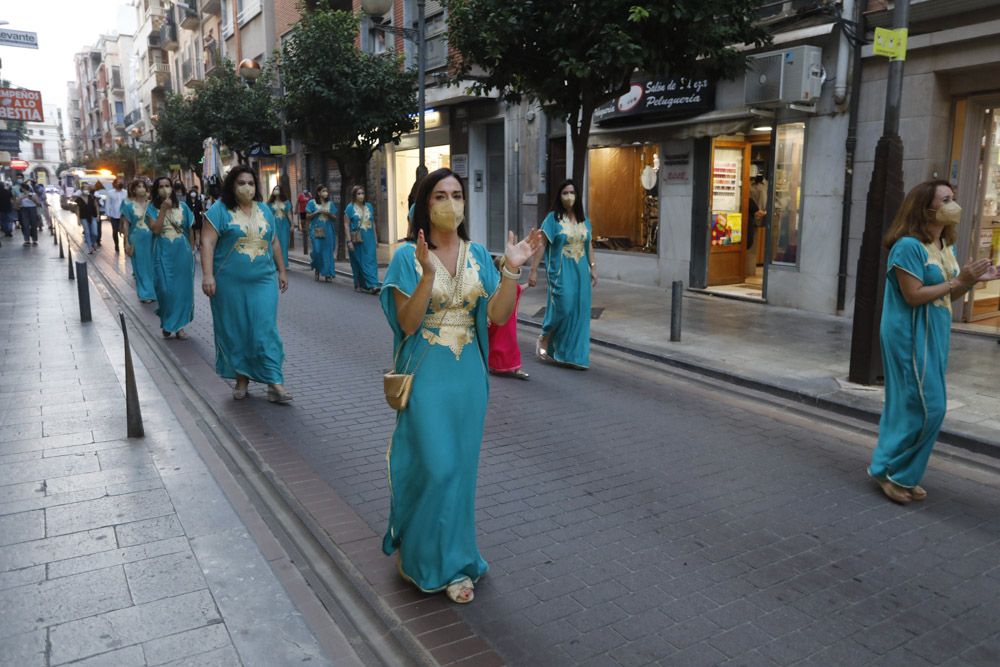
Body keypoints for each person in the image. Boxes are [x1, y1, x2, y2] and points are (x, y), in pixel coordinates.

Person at [380, 167, 541, 604]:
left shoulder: (475, 256)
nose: (451, 203)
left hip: (468, 377)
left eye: (456, 194)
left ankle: (455, 561)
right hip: (428, 372)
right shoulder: (405, 258)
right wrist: (427, 276)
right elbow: (408, 324)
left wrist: (509, 269)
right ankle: (419, 552)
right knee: (436, 466)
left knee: (460, 472)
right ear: (424, 205)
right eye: (440, 196)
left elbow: (498, 316)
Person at [868, 180, 999, 504]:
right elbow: (913, 297)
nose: (953, 204)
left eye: (953, 198)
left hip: (935, 330)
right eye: (946, 199)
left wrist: (968, 283)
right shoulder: (908, 246)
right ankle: (896, 474)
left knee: (910, 405)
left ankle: (890, 469)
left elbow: (949, 293)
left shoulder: (944, 245)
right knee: (929, 406)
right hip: (908, 331)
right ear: (926, 207)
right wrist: (960, 279)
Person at [202, 165, 292, 404]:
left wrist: (282, 270)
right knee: (236, 330)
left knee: (264, 329)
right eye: (241, 183)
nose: (247, 188)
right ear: (232, 185)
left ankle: (275, 382)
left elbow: (273, 243)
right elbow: (208, 243)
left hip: (263, 280)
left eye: (251, 183)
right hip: (228, 284)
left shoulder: (264, 210)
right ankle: (242, 378)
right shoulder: (219, 211)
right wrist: (208, 275)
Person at [528, 179, 596, 369]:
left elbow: (588, 244)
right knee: (563, 307)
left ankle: (576, 357)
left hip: (581, 272)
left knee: (580, 313)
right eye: (565, 193)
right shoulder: (552, 219)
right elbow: (542, 244)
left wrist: (593, 268)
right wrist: (533, 270)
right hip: (560, 271)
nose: (569, 197)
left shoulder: (584, 220)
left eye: (572, 193)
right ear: (559, 196)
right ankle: (545, 335)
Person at [147, 177, 195, 339]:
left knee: (182, 290)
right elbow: (156, 230)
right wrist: (162, 210)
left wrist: (192, 250)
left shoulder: (184, 208)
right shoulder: (151, 209)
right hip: (162, 252)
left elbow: (190, 230)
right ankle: (168, 321)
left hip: (182, 252)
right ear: (156, 190)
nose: (165, 189)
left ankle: (179, 326)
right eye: (161, 186)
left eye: (167, 186)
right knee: (165, 290)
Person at [486, 256, 529, 380]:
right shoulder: (495, 286)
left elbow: (520, 288)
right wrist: (487, 318)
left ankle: (516, 367)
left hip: (509, 323)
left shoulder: (511, 286)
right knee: (497, 345)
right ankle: (496, 365)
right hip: (497, 323)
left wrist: (529, 285)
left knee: (511, 343)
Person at [122, 178, 157, 304]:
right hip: (136, 238)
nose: (141, 189)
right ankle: (145, 293)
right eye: (138, 186)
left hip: (152, 238)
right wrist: (126, 242)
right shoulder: (127, 205)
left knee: (152, 265)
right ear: (133, 189)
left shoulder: (152, 205)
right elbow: (125, 225)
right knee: (140, 267)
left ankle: (153, 292)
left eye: (143, 186)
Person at [344, 184, 380, 293]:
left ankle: (373, 284)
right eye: (358, 194)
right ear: (354, 195)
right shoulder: (350, 208)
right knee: (358, 262)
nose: (361, 196)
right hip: (357, 240)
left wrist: (376, 238)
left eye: (362, 193)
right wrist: (349, 241)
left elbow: (372, 223)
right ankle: (360, 284)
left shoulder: (368, 206)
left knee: (371, 261)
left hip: (369, 239)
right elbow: (346, 224)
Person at [306, 185, 337, 281]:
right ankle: (317, 268)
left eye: (326, 191)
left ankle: (328, 273)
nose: (325, 193)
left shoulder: (330, 204)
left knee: (328, 252)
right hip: (316, 230)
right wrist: (317, 212)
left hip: (328, 230)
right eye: (323, 191)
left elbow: (334, 217)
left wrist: (328, 213)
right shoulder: (312, 203)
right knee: (317, 250)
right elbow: (307, 216)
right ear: (318, 192)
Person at [268, 184, 292, 268]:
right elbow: (268, 216)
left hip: (284, 224)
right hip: (274, 224)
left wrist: (292, 224)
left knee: (284, 244)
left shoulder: (286, 202)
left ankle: (284, 264)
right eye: (275, 189)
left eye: (277, 189)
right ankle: (275, 264)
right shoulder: (270, 203)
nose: (276, 190)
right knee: (274, 243)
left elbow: (289, 214)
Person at [71, 184, 100, 253]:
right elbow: (77, 209)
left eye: (87, 188)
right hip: (83, 217)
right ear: (82, 190)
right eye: (85, 188)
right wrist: (78, 219)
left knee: (95, 233)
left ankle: (93, 242)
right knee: (87, 232)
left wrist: (98, 215)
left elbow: (96, 206)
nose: (86, 190)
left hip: (92, 216)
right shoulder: (79, 199)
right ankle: (90, 247)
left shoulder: (92, 197)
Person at [105, 179, 128, 253]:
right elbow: (108, 203)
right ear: (114, 184)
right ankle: (116, 245)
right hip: (114, 215)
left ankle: (125, 246)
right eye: (118, 182)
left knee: (125, 231)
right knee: (115, 231)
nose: (120, 183)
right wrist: (108, 214)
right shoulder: (110, 193)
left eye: (121, 182)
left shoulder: (126, 192)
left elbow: (128, 202)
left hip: (124, 215)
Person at [186, 186, 204, 250]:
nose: (193, 193)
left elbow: (201, 210)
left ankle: (198, 244)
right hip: (190, 218)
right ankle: (192, 245)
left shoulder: (198, 201)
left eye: (194, 192)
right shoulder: (187, 202)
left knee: (198, 232)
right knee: (191, 232)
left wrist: (201, 215)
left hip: (198, 218)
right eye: (192, 192)